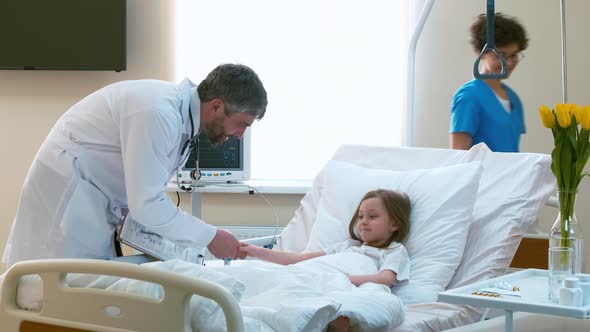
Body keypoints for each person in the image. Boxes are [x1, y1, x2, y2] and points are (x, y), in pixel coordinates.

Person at [3, 64, 268, 267]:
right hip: (67, 202)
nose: (240, 135)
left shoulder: (179, 120)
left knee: (80, 297)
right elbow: (147, 205)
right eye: (242, 124)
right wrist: (210, 237)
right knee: (48, 297)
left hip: (94, 203)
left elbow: (141, 200)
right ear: (216, 106)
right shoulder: (157, 112)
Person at [239, 189, 411, 331]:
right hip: (314, 274)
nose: (363, 222)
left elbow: (385, 279)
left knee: (367, 300)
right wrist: (256, 251)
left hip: (342, 282)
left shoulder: (394, 251)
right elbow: (298, 260)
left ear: (394, 224)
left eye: (372, 217)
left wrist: (341, 279)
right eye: (360, 216)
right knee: (267, 287)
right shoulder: (347, 246)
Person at [450, 13, 529, 152]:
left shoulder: (513, 99)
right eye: (501, 56)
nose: (509, 63)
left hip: (510, 174)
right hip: (482, 174)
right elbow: (458, 156)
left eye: (514, 55)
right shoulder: (469, 97)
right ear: (481, 53)